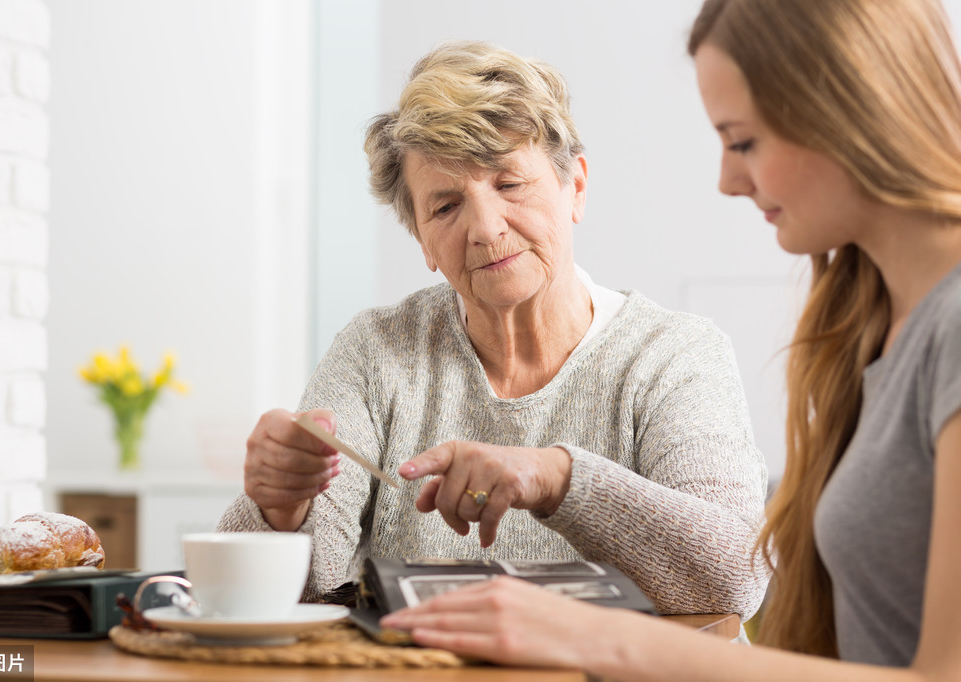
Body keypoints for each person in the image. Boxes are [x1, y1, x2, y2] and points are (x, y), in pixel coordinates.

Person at [379, 1, 961, 678]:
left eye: (743, 141)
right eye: (445, 205)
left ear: (853, 112)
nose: (726, 179)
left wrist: (590, 636)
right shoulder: (869, 321)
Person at [217, 40, 769, 623]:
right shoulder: (375, 351)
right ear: (423, 241)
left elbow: (730, 580)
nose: (485, 227)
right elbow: (304, 593)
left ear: (575, 187)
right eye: (447, 206)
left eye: (509, 184)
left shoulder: (676, 353)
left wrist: (558, 477)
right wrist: (280, 508)